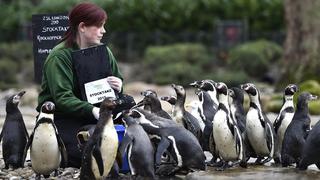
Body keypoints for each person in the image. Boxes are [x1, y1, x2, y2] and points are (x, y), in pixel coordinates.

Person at [36, 2, 134, 168]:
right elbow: (62, 98)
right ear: (82, 27)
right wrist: (94, 111)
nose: (104, 31)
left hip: (96, 112)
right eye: (99, 26)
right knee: (81, 155)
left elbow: (117, 84)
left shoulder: (104, 51)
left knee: (129, 102)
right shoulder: (59, 56)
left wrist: (118, 86)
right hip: (64, 115)